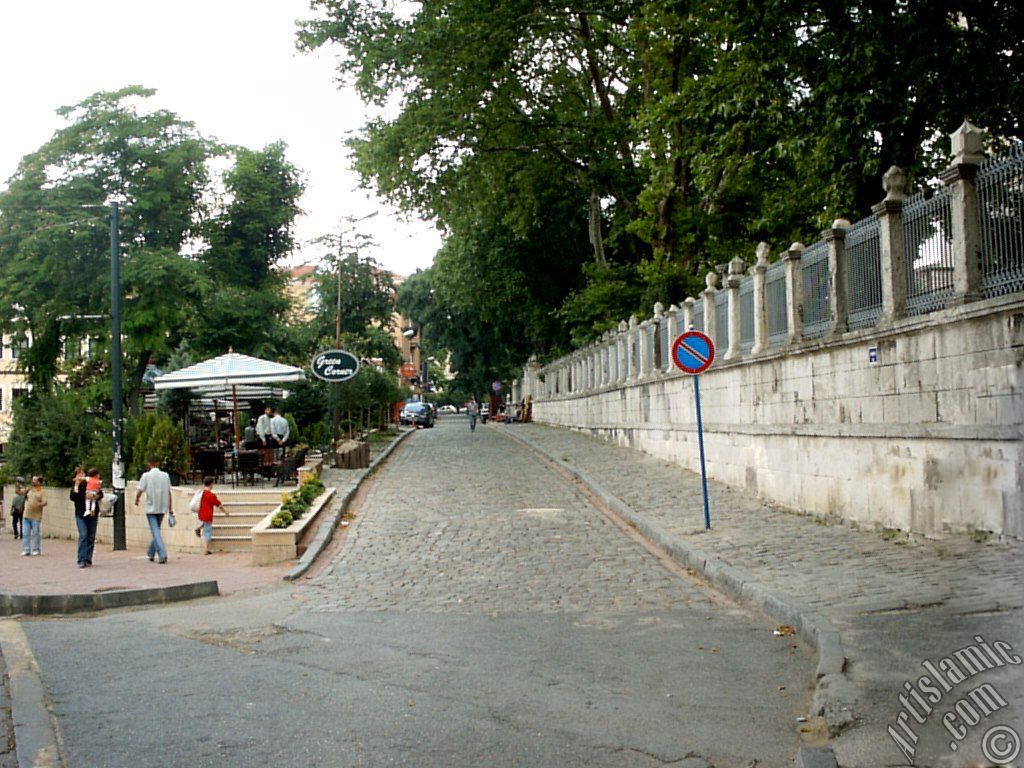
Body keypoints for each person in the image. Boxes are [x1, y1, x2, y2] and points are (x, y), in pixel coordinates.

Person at [135, 455, 172, 564]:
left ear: (149, 464)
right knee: (157, 530)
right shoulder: (165, 476)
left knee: (155, 531)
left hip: (151, 507)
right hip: (162, 506)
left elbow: (140, 490)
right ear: (158, 463)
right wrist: (171, 509)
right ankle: (151, 552)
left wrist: (137, 499)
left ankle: (162, 554)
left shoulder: (146, 476)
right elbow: (169, 493)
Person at [70, 467, 101, 567]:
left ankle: (88, 558)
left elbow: (100, 494)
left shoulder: (91, 483)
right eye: (79, 474)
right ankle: (81, 559)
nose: (81, 476)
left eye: (82, 474)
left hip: (92, 513)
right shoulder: (77, 486)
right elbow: (73, 497)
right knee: (83, 535)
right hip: (81, 514)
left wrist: (95, 496)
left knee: (91, 536)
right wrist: (76, 485)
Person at [195, 475, 227, 555]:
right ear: (211, 484)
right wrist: (226, 512)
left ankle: (199, 527)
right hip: (208, 516)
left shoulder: (200, 493)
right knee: (207, 533)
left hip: (201, 514)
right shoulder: (211, 495)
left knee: (204, 529)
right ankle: (206, 549)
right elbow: (219, 505)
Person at [22, 475, 47, 556]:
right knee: (25, 533)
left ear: (39, 482)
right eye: (32, 480)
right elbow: (22, 494)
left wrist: (39, 504)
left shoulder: (42, 492)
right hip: (27, 514)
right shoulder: (29, 490)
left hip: (36, 516)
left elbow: (45, 502)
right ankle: (26, 549)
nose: (33, 481)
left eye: (35, 480)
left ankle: (36, 549)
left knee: (36, 533)